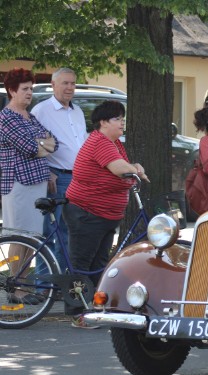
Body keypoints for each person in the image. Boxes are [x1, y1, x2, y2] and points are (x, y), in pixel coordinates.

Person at [62, 100, 148, 328]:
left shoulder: (115, 143)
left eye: (122, 118)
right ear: (103, 122)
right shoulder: (101, 142)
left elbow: (122, 166)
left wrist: (134, 167)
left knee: (99, 263)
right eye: (117, 119)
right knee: (82, 263)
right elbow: (119, 168)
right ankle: (76, 312)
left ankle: (95, 306)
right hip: (87, 212)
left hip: (105, 215)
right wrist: (135, 168)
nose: (122, 123)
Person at [0, 68, 58, 305]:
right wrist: (42, 145)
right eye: (25, 89)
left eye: (31, 89)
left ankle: (24, 283)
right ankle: (16, 286)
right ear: (12, 90)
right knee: (18, 235)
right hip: (18, 183)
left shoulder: (29, 116)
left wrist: (42, 145)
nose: (29, 93)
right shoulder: (7, 117)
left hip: (37, 182)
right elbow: (30, 147)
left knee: (32, 237)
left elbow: (55, 143)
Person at [31, 68, 88, 270]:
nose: (70, 87)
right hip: (57, 178)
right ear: (53, 85)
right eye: (65, 83)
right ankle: (44, 284)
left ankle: (62, 281)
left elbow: (81, 143)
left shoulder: (78, 111)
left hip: (79, 178)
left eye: (73, 83)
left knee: (71, 232)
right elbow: (34, 148)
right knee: (50, 232)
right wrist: (46, 171)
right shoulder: (41, 110)